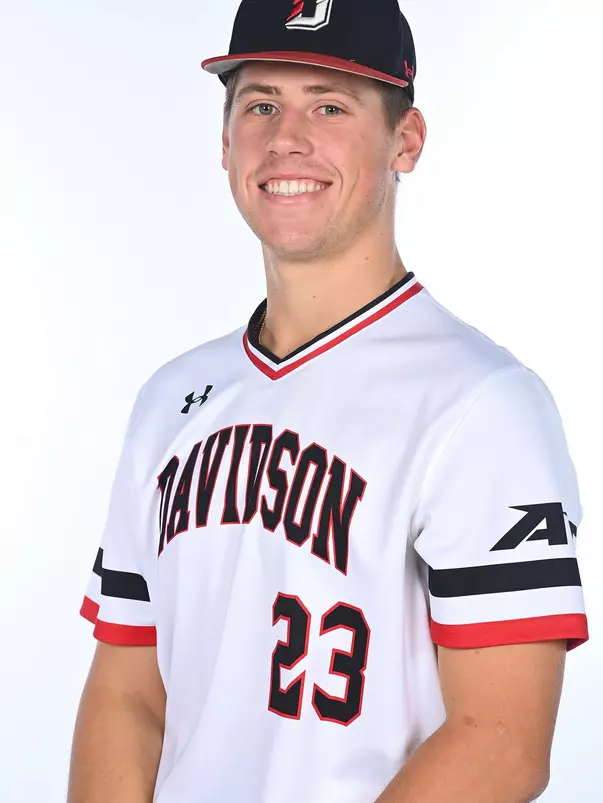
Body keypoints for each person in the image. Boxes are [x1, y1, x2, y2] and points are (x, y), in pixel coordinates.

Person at [67, 1, 589, 801]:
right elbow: (128, 694)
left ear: (404, 141)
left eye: (330, 105)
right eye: (262, 104)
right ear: (224, 138)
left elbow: (501, 741)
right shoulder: (169, 401)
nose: (287, 139)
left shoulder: (483, 404)